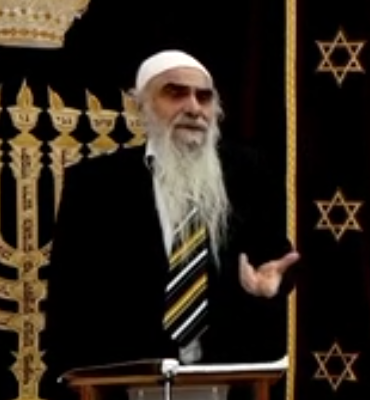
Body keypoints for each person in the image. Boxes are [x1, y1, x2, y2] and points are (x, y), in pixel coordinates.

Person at [43, 49, 300, 400]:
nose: (194, 108)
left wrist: (268, 288)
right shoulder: (95, 183)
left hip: (228, 380)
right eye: (176, 93)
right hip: (127, 381)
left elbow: (275, 262)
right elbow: (68, 295)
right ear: (143, 106)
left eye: (204, 97)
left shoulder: (249, 172)